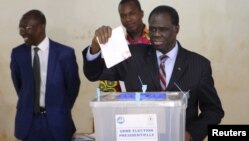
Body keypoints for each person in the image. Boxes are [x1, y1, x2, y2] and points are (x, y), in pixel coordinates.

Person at [83, 5, 224, 141]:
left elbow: (213, 110)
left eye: (163, 29)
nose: (156, 34)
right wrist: (95, 47)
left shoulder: (199, 65)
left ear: (176, 29)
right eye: (153, 29)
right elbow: (94, 73)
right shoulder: (132, 55)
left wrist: (190, 134)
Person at [10, 10, 80, 141]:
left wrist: (59, 107)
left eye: (27, 27)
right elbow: (19, 85)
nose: (22, 32)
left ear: (42, 27)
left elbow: (73, 87)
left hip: (58, 121)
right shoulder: (17, 54)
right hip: (28, 123)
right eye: (21, 28)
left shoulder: (65, 54)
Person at [98, 0, 151, 92]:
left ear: (141, 13)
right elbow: (110, 87)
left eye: (132, 13)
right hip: (127, 102)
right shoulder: (116, 44)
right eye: (123, 16)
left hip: (158, 100)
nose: (128, 19)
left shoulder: (157, 39)